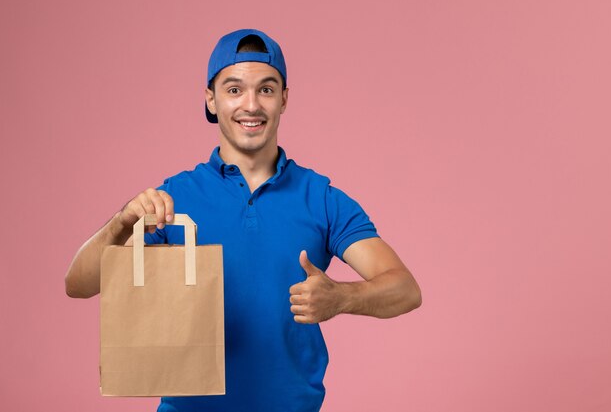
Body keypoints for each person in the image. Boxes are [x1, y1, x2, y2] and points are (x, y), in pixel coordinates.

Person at [65, 28, 421, 412]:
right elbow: (79, 283)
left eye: (266, 89)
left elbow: (405, 289)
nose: (251, 105)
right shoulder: (175, 198)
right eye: (234, 90)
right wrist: (121, 222)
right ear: (211, 100)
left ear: (284, 99)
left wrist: (342, 297)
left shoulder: (320, 198)